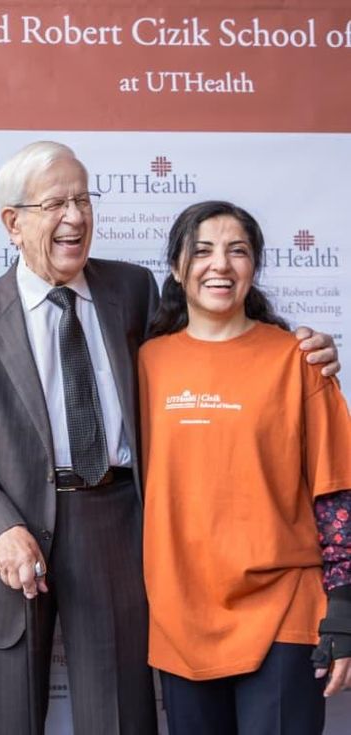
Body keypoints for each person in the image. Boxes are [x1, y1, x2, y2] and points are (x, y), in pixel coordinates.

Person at [0, 140, 340, 735]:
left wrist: (301, 347)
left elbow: (213, 346)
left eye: (83, 199)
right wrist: (0, 528)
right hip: (9, 536)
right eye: (55, 204)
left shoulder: (133, 291)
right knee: (3, 720)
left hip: (116, 522)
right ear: (13, 223)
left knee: (117, 718)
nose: (75, 217)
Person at [138, 201, 351, 734]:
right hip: (179, 615)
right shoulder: (145, 362)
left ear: (254, 267)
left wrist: (344, 610)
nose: (221, 264)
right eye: (203, 250)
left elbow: (337, 495)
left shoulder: (298, 360)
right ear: (175, 267)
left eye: (238, 251)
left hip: (284, 609)